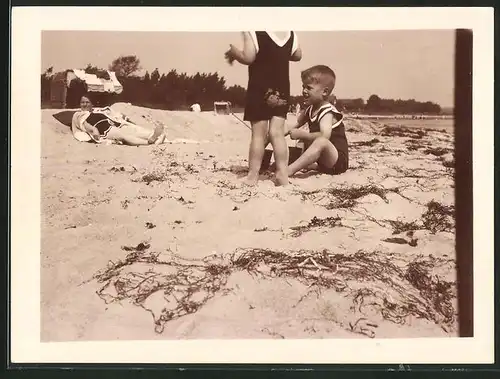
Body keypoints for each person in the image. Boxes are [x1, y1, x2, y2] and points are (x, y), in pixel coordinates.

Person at [225, 31, 302, 186]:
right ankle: (282, 174)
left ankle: (253, 176)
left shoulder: (254, 30)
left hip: (259, 89)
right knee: (277, 133)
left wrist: (235, 52)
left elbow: (249, 57)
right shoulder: (289, 32)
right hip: (282, 89)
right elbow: (298, 55)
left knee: (258, 135)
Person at [285, 65, 349, 176]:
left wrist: (302, 135)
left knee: (320, 141)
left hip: (337, 161)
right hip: (324, 162)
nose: (304, 91)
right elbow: (295, 125)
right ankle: (299, 164)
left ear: (324, 92)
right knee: (301, 142)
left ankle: (290, 170)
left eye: (309, 88)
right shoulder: (309, 109)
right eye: (303, 87)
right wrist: (276, 133)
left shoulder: (327, 112)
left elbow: (325, 136)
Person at [71, 95, 166, 145]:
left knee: (132, 130)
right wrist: (94, 130)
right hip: (104, 130)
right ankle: (149, 142)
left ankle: (154, 136)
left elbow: (113, 115)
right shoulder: (78, 114)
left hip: (113, 124)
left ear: (92, 104)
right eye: (82, 102)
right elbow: (84, 124)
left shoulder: (97, 111)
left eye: (87, 102)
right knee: (123, 136)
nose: (84, 104)